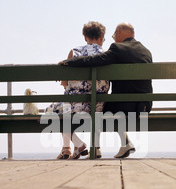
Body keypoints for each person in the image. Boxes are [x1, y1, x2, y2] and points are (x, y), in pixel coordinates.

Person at [61, 23, 153, 159]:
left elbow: (94, 60)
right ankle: (125, 143)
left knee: (99, 109)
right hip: (144, 106)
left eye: (114, 36)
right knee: (103, 104)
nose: (114, 39)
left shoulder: (118, 48)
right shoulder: (146, 51)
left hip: (123, 105)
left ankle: (96, 149)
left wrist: (68, 62)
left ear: (119, 34)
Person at [44, 21, 109, 159]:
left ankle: (78, 144)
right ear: (102, 36)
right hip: (99, 106)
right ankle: (67, 148)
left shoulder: (75, 52)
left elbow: (65, 83)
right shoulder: (107, 55)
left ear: (85, 37)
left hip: (76, 107)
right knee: (64, 106)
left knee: (51, 111)